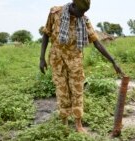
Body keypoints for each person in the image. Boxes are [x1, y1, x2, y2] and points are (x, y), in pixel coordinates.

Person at [39, 0, 123, 133]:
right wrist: (41, 58)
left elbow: (97, 43)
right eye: (80, 11)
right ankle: (64, 121)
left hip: (75, 62)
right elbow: (46, 33)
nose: (82, 14)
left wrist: (113, 61)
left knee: (77, 91)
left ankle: (78, 123)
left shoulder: (84, 20)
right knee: (62, 91)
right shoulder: (55, 13)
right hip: (57, 60)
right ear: (73, 5)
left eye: (84, 12)